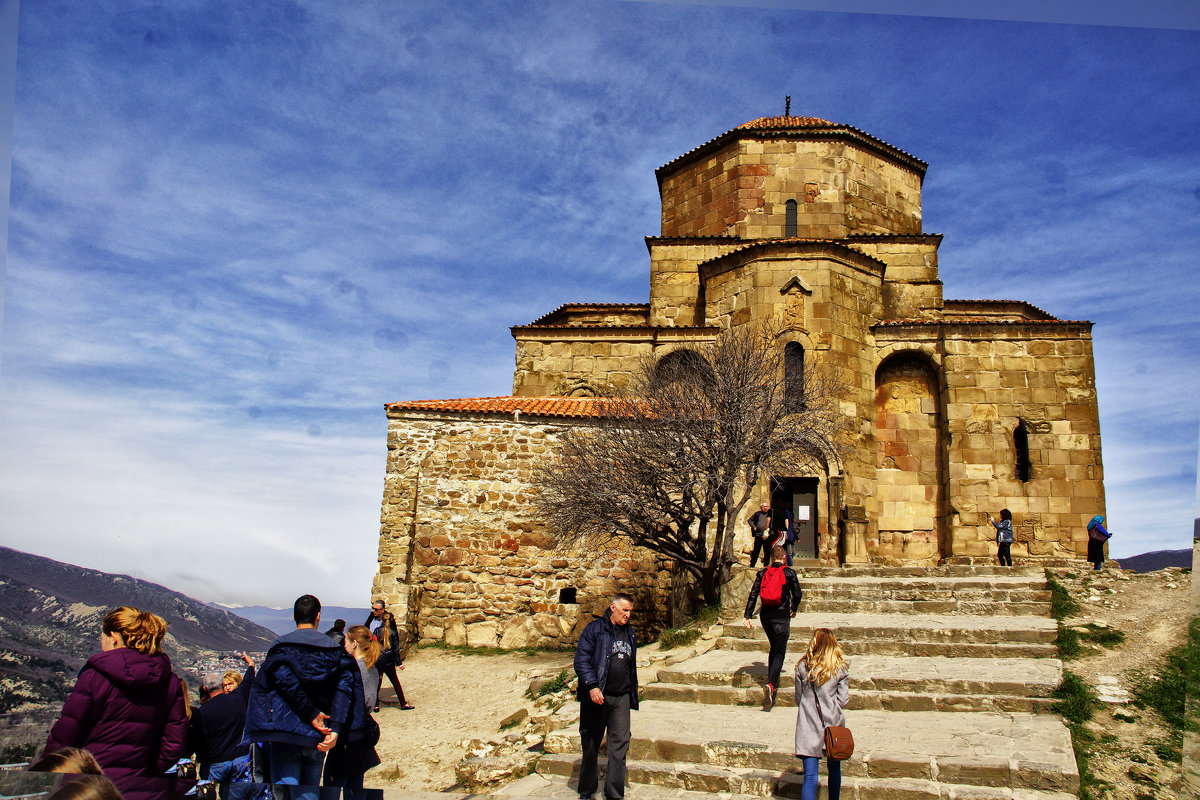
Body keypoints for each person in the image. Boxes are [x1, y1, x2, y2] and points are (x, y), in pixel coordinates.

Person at [43, 606, 190, 800]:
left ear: (113, 636)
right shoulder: (170, 682)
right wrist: (147, 768)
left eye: (102, 636)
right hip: (145, 788)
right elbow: (174, 744)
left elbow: (65, 736)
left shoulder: (94, 677)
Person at [241, 595, 358, 800]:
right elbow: (344, 690)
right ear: (318, 617)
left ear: (294, 616)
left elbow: (285, 682)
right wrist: (336, 728)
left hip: (285, 733)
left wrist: (310, 712)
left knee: (284, 793)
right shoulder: (334, 651)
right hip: (318, 735)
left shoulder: (281, 646)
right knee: (309, 793)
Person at [573, 593, 638, 800]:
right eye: (624, 610)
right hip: (596, 696)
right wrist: (592, 686)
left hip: (621, 698)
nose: (627, 615)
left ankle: (614, 794)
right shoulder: (594, 630)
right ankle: (586, 790)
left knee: (620, 745)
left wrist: (631, 692)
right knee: (591, 744)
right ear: (613, 607)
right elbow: (581, 660)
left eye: (630, 611)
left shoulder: (630, 633)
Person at [321, 625, 382, 799]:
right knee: (355, 788)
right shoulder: (373, 668)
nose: (344, 645)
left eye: (346, 641)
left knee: (331, 788)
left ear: (354, 643)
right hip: (362, 735)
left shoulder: (354, 669)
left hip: (348, 734)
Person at [742, 545, 803, 710]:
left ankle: (772, 681)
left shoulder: (762, 573)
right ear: (784, 558)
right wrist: (794, 608)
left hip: (766, 617)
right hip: (782, 617)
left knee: (774, 647)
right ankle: (770, 684)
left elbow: (753, 594)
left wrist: (748, 615)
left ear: (771, 558)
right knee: (780, 651)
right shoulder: (789, 573)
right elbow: (797, 594)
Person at [794, 628, 850, 800]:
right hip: (832, 725)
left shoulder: (803, 667)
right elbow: (844, 699)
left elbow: (799, 697)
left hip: (808, 725)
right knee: (834, 770)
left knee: (810, 778)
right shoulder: (839, 668)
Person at [190, 653, 256, 799]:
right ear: (222, 685)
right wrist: (251, 665)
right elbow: (248, 681)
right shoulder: (238, 699)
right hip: (240, 760)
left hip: (215, 763)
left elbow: (199, 741)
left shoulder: (203, 712)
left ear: (205, 689)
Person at [364, 601, 412, 711]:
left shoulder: (379, 629)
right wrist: (399, 662)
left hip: (377, 656)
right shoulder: (373, 618)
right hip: (387, 658)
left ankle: (375, 705)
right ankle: (403, 703)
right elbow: (395, 646)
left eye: (376, 609)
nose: (373, 611)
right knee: (389, 680)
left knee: (377, 680)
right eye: (373, 608)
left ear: (382, 610)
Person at [747, 502, 772, 568]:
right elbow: (749, 520)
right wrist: (754, 527)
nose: (765, 508)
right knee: (756, 551)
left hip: (767, 536)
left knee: (767, 551)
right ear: (761, 508)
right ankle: (752, 565)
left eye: (766, 506)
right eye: (763, 506)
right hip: (758, 535)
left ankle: (766, 565)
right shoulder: (757, 514)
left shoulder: (770, 515)